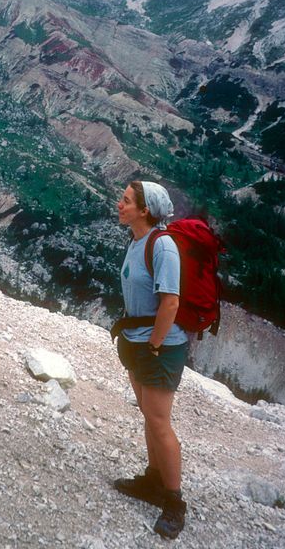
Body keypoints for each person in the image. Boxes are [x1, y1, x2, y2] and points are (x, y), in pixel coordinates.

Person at [114, 180, 188, 540]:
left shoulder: (164, 247)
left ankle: (174, 503)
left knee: (159, 421)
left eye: (126, 201)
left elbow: (170, 302)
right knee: (149, 414)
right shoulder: (136, 240)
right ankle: (152, 480)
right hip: (137, 341)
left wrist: (155, 345)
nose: (119, 204)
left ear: (145, 211)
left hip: (159, 347)